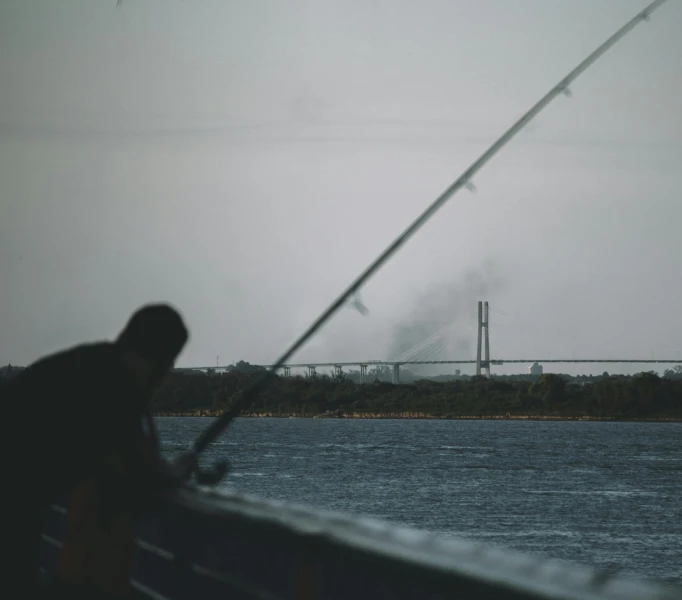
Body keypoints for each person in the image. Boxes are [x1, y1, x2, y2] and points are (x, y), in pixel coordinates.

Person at [2, 304, 197, 598]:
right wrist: (182, 467)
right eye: (168, 364)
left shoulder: (88, 363)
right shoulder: (115, 385)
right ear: (160, 360)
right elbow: (146, 468)